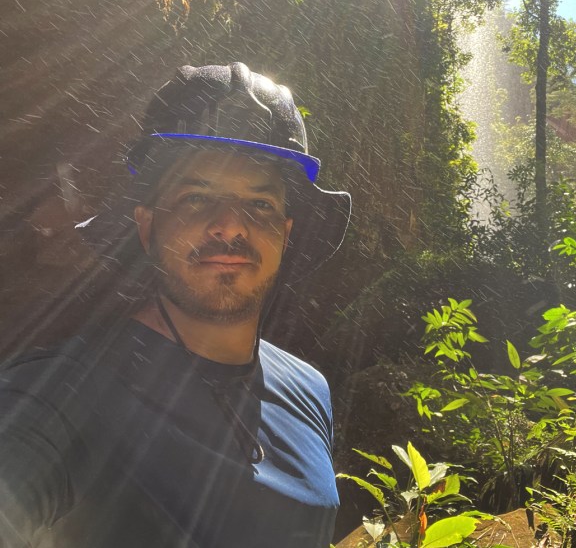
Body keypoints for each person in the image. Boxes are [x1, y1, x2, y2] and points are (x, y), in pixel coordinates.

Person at [0, 63, 351, 547]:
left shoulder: (310, 391)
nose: (230, 225)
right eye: (195, 198)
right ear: (147, 228)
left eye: (260, 204)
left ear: (285, 236)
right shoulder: (61, 393)